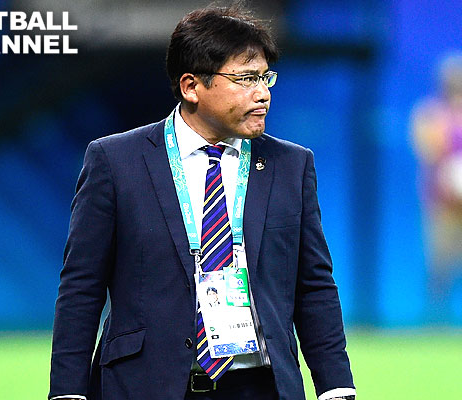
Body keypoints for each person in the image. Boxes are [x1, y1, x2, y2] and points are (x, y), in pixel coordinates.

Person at [49, 5, 355, 400]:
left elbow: (314, 287)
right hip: (145, 387)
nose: (262, 93)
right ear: (191, 86)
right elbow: (81, 287)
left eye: (265, 77)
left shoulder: (291, 165)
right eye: (245, 79)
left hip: (259, 387)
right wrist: (68, 392)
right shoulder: (114, 161)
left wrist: (335, 388)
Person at [411, 51, 462, 324]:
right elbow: (427, 148)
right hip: (441, 201)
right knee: (440, 259)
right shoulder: (430, 113)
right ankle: (437, 318)